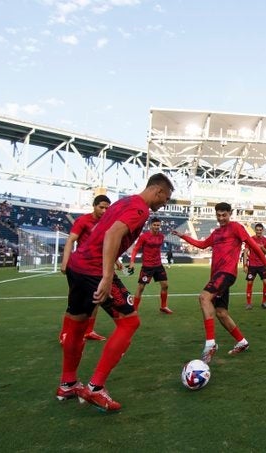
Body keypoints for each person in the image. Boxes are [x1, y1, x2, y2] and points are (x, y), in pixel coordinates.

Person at [56, 173, 174, 412]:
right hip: (94, 271)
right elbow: (111, 234)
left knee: (78, 326)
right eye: (166, 198)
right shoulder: (140, 209)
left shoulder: (124, 201)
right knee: (130, 323)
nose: (164, 204)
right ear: (158, 191)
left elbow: (103, 230)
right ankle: (95, 388)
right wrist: (108, 276)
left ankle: (67, 384)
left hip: (77, 267)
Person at [173, 202, 266, 364]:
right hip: (216, 275)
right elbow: (201, 244)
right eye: (218, 215)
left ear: (230, 213)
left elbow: (252, 245)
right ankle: (242, 342)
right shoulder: (216, 233)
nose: (221, 218)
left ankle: (210, 344)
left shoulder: (236, 227)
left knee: (204, 298)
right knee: (221, 312)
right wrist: (183, 236)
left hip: (226, 273)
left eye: (224, 215)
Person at [59, 195, 112, 343]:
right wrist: (65, 262)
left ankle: (88, 331)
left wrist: (115, 260)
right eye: (101, 207)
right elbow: (71, 240)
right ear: (94, 206)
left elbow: (106, 244)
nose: (104, 210)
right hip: (79, 267)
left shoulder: (107, 223)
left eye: (107, 208)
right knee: (74, 301)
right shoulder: (83, 220)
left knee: (96, 300)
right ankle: (64, 334)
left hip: (96, 267)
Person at [127, 217, 173, 314]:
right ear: (150, 225)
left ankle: (163, 306)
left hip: (158, 265)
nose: (157, 227)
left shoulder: (161, 236)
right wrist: (132, 261)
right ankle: (134, 309)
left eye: (158, 225)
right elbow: (135, 249)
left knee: (165, 285)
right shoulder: (144, 236)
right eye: (155, 225)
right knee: (141, 287)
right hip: (147, 266)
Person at [243, 223, 266, 309]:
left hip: (262, 265)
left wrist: (262, 248)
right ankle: (248, 303)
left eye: (260, 230)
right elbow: (245, 252)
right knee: (249, 283)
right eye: (257, 230)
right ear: (255, 230)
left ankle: (264, 302)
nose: (259, 231)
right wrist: (245, 264)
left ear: (262, 230)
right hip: (252, 265)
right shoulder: (250, 239)